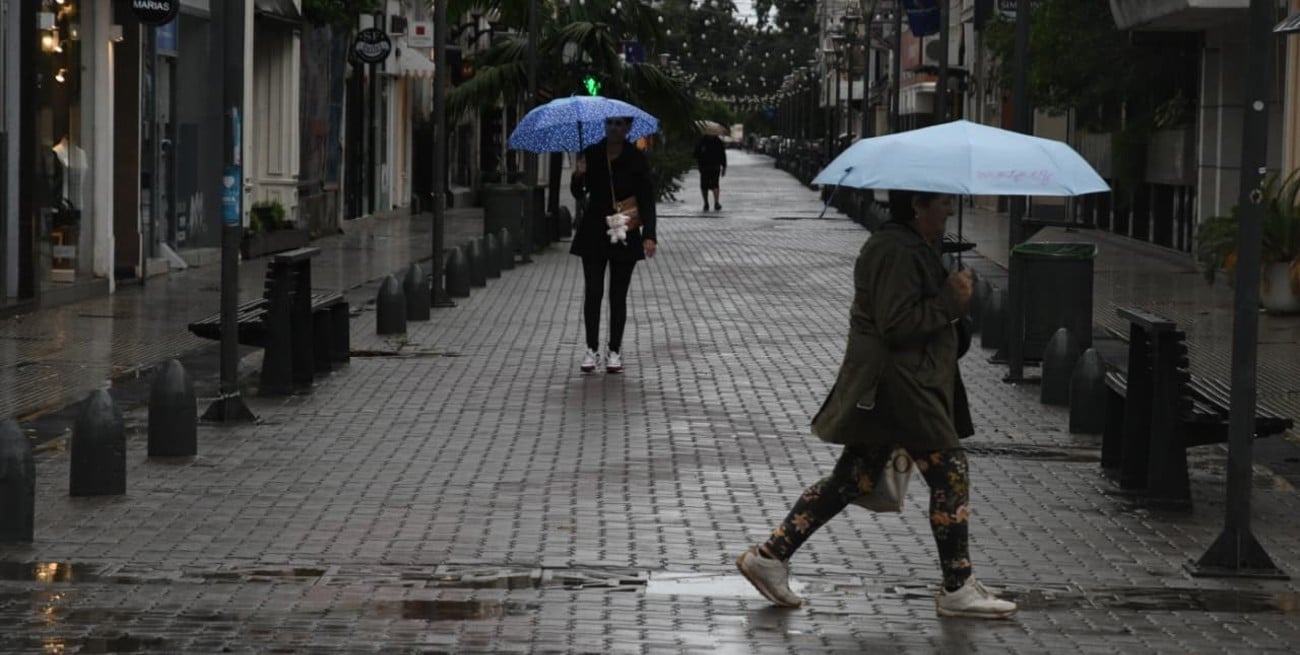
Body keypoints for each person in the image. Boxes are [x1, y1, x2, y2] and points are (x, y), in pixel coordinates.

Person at [734, 190, 1017, 620]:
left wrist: (951, 303)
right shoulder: (894, 250)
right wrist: (949, 301)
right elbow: (897, 323)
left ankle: (770, 556)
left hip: (902, 384)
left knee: (854, 478)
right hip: (901, 386)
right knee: (950, 471)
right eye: (942, 203)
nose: (950, 210)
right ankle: (957, 585)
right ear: (918, 207)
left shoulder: (912, 246)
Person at [569, 116, 658, 374]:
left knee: (618, 295)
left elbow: (646, 198)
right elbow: (578, 192)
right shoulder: (592, 152)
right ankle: (591, 349)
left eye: (620, 124)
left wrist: (649, 234)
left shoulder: (636, 157)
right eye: (610, 123)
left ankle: (615, 350)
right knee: (593, 291)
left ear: (628, 127)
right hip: (595, 230)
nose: (614, 128)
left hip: (625, 229)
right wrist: (579, 174)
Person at [693, 132, 727, 211]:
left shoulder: (718, 142)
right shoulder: (701, 141)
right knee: (704, 185)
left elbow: (723, 155)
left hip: (715, 167)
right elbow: (695, 154)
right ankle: (706, 203)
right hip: (704, 167)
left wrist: (724, 167)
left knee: (715, 184)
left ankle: (716, 202)